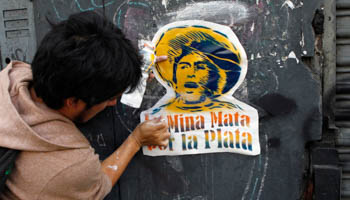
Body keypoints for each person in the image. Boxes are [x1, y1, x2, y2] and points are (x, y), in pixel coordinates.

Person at [0, 11, 170, 199]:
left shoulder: (12, 75)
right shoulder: (70, 164)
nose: (113, 102)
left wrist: (123, 70)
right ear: (72, 101)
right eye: (109, 98)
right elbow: (100, 183)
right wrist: (136, 140)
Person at [151, 28, 244, 114]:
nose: (190, 74)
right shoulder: (158, 114)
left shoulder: (234, 114)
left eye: (200, 67)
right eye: (184, 67)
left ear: (215, 75)